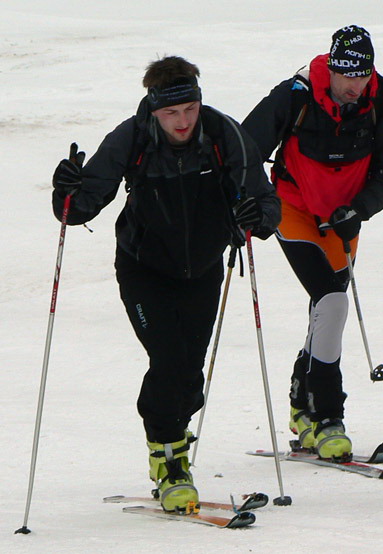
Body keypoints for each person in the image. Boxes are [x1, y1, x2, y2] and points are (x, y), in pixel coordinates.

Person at [50, 56, 281, 512]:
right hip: (144, 269)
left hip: (203, 269)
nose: (182, 122)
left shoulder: (224, 134)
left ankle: (173, 431)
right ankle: (169, 459)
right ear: (154, 111)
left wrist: (259, 219)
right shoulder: (131, 137)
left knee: (189, 375)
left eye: (190, 109)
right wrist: (67, 191)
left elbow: (263, 197)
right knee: (169, 357)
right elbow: (78, 208)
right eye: (171, 114)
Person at [242, 25, 383, 461]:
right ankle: (327, 415)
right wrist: (255, 206)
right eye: (347, 75)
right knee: (332, 302)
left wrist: (361, 209)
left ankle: (302, 405)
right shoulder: (295, 95)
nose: (355, 85)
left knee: (326, 312)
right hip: (293, 207)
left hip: (344, 219)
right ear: (331, 68)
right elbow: (244, 149)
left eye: (363, 75)